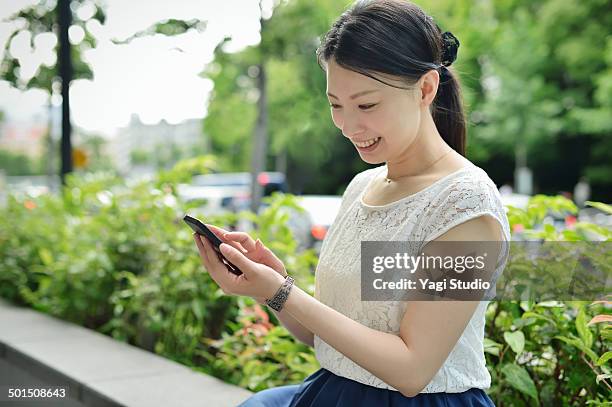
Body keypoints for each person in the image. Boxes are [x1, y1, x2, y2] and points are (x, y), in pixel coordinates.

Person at [193, 0, 509, 405]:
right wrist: (272, 285)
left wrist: (285, 292)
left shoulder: (465, 204)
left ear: (426, 89)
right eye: (335, 105)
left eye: (366, 105)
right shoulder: (363, 186)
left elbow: (412, 370)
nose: (347, 125)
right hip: (334, 391)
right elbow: (324, 337)